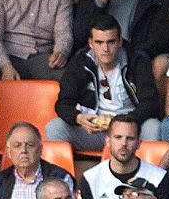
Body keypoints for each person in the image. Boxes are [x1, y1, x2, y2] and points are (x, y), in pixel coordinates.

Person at [47, 16, 162, 150]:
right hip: (94, 130)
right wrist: (78, 118)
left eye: (111, 42)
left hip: (129, 130)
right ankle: (60, 171)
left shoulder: (136, 61)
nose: (105, 49)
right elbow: (63, 103)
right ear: (91, 43)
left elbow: (151, 102)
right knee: (55, 127)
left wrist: (126, 121)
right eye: (99, 42)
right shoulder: (80, 62)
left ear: (120, 41)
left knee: (153, 127)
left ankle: (144, 171)